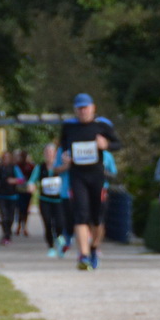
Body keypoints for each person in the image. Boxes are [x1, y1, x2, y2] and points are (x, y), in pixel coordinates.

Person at [59, 95, 120, 270]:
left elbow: (118, 144)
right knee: (81, 215)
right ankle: (84, 255)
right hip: (77, 176)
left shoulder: (102, 125)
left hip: (97, 177)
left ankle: (93, 248)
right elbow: (63, 145)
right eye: (79, 108)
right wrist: (65, 156)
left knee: (97, 219)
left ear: (93, 108)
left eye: (85, 108)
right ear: (75, 110)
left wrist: (106, 145)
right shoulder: (69, 126)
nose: (83, 111)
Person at [29, 142, 71, 257]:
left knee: (60, 223)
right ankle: (51, 246)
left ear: (56, 153)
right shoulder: (40, 167)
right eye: (47, 152)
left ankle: (60, 239)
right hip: (45, 200)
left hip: (59, 200)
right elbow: (32, 180)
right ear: (44, 154)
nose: (49, 154)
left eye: (51, 152)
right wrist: (31, 185)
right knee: (47, 223)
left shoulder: (61, 166)